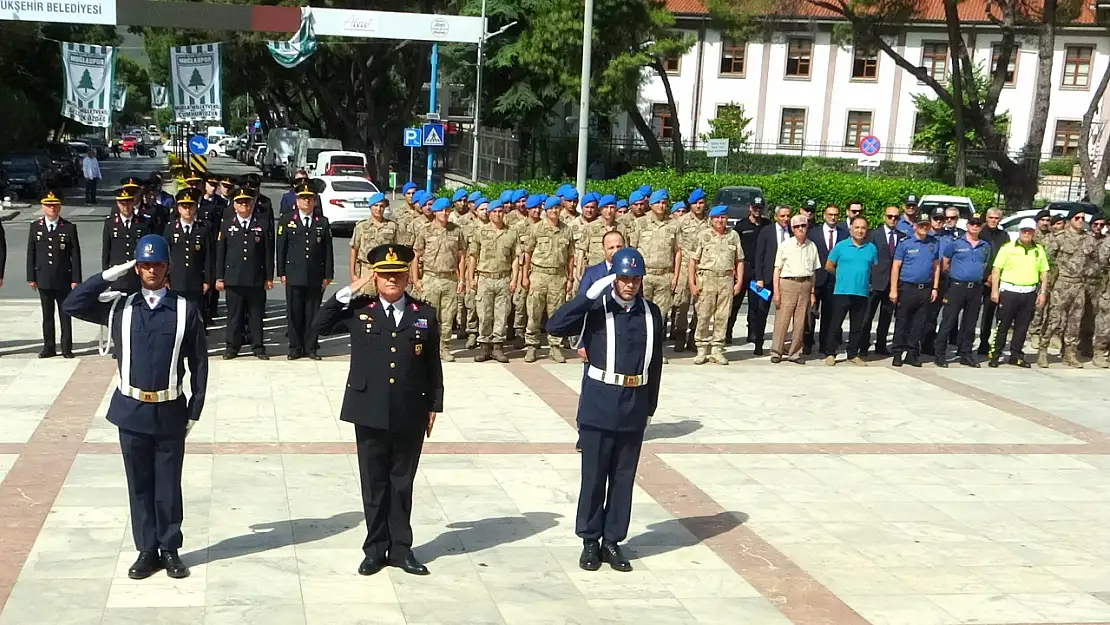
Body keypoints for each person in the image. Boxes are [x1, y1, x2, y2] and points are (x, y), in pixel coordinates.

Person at [62, 234, 207, 580]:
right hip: (131, 409)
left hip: (170, 409)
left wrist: (195, 409)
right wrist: (108, 276)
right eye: (144, 265)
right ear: (137, 269)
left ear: (167, 267)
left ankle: (170, 548)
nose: (151, 270)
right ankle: (146, 550)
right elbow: (72, 304)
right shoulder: (120, 307)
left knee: (168, 485)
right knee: (139, 484)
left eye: (157, 264)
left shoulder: (186, 308)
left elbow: (199, 363)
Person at [312, 244, 442, 577]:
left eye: (398, 274)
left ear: (406, 277)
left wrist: (434, 405)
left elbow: (432, 363)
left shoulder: (423, 314)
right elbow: (320, 325)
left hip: (409, 409)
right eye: (384, 275)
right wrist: (353, 286)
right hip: (368, 408)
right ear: (376, 277)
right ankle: (374, 550)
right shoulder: (360, 309)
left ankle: (401, 549)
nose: (392, 280)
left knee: (402, 483)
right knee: (374, 484)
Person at [546, 247, 662, 573]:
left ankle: (612, 541)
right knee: (594, 477)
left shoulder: (651, 312)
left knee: (623, 479)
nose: (630, 285)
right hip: (599, 404)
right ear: (615, 278)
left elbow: (655, 365)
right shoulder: (597, 309)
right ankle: (589, 541)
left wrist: (649, 407)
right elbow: (554, 326)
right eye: (625, 278)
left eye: (635, 279)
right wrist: (586, 297)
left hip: (634, 404)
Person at [277, 179, 334, 360]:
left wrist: (328, 275)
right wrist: (281, 273)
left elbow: (328, 251)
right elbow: (281, 248)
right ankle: (295, 347)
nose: (306, 202)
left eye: (309, 198)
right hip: (293, 274)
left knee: (313, 313)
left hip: (315, 275)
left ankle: (311, 347)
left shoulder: (322, 222)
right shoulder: (287, 220)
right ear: (297, 201)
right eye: (303, 198)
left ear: (315, 201)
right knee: (294, 313)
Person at [215, 187, 274, 360]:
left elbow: (268, 253)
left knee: (256, 315)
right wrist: (219, 277)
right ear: (234, 206)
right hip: (234, 278)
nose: (244, 205)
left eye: (247, 202)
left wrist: (269, 277)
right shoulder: (227, 224)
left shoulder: (261, 224)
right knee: (235, 316)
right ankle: (232, 347)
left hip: (256, 278)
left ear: (252, 204)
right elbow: (221, 253)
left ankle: (258, 347)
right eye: (240, 202)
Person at [1041, 206, 1101, 367]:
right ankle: (1043, 350)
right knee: (1054, 319)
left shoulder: (1089, 239)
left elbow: (1096, 260)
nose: (1081, 221)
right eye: (1077, 218)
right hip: (1061, 284)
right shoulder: (1059, 238)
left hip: (1079, 285)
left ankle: (1069, 353)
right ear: (1069, 220)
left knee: (1075, 322)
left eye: (1083, 218)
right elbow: (1048, 261)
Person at [26, 191, 81, 358]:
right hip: (44, 278)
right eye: (49, 206)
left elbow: (75, 255)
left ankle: (66, 348)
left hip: (64, 279)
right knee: (47, 316)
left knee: (65, 314)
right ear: (43, 207)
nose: (52, 208)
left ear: (60, 207)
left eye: (55, 206)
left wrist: (76, 279)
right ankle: (49, 347)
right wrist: (31, 277)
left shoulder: (69, 228)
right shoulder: (35, 227)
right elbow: (31, 253)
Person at [989, 219, 1051, 368]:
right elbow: (996, 270)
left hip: (1029, 293)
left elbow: (1044, 273)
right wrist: (994, 291)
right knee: (1002, 326)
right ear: (1019, 231)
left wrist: (1042, 293)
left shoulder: (1038, 250)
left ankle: (1016, 355)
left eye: (1029, 230)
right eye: (1024, 230)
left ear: (1034, 232)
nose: (1026, 233)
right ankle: (996, 355)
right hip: (1009, 292)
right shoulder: (1007, 248)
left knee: (1022, 328)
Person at [629, 189, 681, 363]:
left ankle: (656, 350)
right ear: (650, 204)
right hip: (644, 276)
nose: (661, 206)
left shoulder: (674, 225)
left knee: (660, 315)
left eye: (664, 203)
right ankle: (638, 349)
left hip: (665, 275)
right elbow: (632, 249)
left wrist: (675, 276)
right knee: (639, 313)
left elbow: (678, 251)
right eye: (658, 202)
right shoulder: (640, 223)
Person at [412, 197, 466, 361]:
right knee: (427, 316)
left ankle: (444, 348)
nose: (444, 213)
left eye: (447, 210)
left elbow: (461, 256)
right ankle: (426, 347)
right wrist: (416, 279)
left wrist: (462, 279)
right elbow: (415, 255)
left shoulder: (456, 231)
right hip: (430, 278)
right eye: (441, 210)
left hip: (450, 278)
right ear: (434, 212)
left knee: (448, 317)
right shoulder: (425, 230)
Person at [933, 216, 992, 367]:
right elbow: (945, 264)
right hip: (957, 287)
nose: (975, 226)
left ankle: (965, 353)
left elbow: (985, 264)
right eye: (972, 223)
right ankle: (940, 354)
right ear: (967, 225)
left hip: (976, 288)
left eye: (978, 224)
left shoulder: (985, 246)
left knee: (970, 324)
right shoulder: (956, 243)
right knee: (948, 321)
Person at [687, 204, 743, 365]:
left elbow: (739, 260)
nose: (720, 220)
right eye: (717, 217)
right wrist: (692, 283)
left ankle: (717, 349)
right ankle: (702, 349)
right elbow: (693, 260)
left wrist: (738, 282)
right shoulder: (703, 235)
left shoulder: (733, 236)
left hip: (725, 279)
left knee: (723, 316)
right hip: (707, 279)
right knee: (703, 315)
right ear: (711, 219)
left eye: (723, 217)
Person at [522, 195, 575, 363]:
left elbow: (571, 256)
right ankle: (531, 346)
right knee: (534, 313)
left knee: (556, 314)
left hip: (558, 276)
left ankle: (555, 347)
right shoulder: (536, 229)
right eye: (551, 208)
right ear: (546, 210)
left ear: (560, 209)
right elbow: (527, 254)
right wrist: (525, 276)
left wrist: (570, 278)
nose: (554, 211)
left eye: (556, 208)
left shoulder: (567, 230)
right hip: (539, 274)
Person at [467, 201, 520, 362]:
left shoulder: (511, 232)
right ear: (489, 214)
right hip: (484, 278)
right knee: (484, 314)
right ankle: (484, 346)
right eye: (494, 211)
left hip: (503, 278)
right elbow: (473, 257)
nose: (498, 214)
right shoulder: (480, 232)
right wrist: (470, 278)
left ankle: (497, 346)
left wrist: (514, 279)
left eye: (500, 211)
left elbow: (516, 258)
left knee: (501, 315)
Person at [822, 216, 878, 365]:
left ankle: (853, 354)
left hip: (861, 292)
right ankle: (830, 353)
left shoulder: (871, 248)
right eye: (857, 227)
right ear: (850, 229)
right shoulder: (841, 246)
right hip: (842, 291)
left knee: (857, 326)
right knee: (835, 324)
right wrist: (841, 275)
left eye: (863, 228)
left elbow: (872, 267)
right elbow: (829, 265)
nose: (860, 231)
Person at [889, 213, 940, 367]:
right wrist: (893, 289)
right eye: (921, 225)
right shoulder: (905, 243)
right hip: (907, 287)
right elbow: (896, 267)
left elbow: (936, 266)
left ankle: (912, 353)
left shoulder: (934, 243)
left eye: (927, 225)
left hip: (924, 288)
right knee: (902, 321)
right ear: (915, 226)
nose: (924, 228)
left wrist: (935, 287)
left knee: (919, 323)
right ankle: (897, 353)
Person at [770, 214, 819, 364]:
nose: (800, 229)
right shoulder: (785, 245)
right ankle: (776, 352)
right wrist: (776, 293)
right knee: (782, 320)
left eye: (803, 226)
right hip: (788, 284)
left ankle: (795, 353)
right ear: (792, 228)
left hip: (805, 284)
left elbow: (813, 272)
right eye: (796, 226)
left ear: (807, 227)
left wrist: (812, 292)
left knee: (800, 322)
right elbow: (777, 270)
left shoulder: (812, 246)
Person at [163, 188, 213, 322]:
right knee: (176, 316)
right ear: (178, 208)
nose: (187, 210)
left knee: (196, 316)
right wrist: (165, 278)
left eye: (190, 206)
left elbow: (208, 255)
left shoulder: (203, 228)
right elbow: (165, 254)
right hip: (176, 280)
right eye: (184, 206)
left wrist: (207, 279)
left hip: (196, 280)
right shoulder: (170, 228)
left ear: (196, 207)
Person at [861, 206, 905, 357]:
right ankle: (863, 346)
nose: (893, 219)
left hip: (892, 284)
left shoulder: (902, 236)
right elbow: (866, 259)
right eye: (890, 216)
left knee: (886, 317)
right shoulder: (873, 234)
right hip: (875, 282)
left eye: (896, 217)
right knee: (867, 317)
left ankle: (881, 346)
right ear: (884, 217)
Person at [807, 204, 848, 356]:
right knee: (809, 314)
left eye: (836, 215)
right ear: (824, 215)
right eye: (830, 214)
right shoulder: (813, 233)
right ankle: (807, 342)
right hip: (816, 278)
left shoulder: (844, 235)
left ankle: (825, 344)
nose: (833, 217)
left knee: (829, 314)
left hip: (834, 280)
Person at [752, 205, 792, 355]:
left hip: (785, 278)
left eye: (788, 216)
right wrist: (759, 278)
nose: (785, 219)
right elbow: (759, 255)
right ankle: (758, 343)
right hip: (767, 279)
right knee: (762, 312)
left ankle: (780, 344)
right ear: (776, 217)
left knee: (783, 314)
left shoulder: (792, 232)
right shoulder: (766, 231)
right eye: (782, 216)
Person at [729, 196, 769, 345]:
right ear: (750, 208)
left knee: (755, 305)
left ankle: (752, 333)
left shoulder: (767, 225)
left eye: (760, 208)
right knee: (734, 303)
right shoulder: (741, 225)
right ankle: (728, 332)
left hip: (758, 270)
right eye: (755, 207)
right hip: (742, 267)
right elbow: (733, 248)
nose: (757, 210)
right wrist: (733, 268)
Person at [674, 188, 710, 352]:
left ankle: (694, 336)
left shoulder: (710, 222)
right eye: (695, 203)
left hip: (702, 269)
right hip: (683, 267)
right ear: (690, 204)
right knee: (682, 303)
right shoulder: (681, 222)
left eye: (701, 203)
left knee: (700, 305)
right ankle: (680, 335)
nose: (698, 206)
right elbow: (677, 248)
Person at [101, 187, 153, 295]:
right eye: (123, 203)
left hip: (137, 274)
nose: (126, 207)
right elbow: (106, 251)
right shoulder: (110, 224)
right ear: (118, 204)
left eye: (129, 203)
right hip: (118, 274)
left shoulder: (143, 223)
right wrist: (106, 275)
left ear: (133, 202)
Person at [978, 208, 1010, 355]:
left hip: (996, 281)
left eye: (996, 218)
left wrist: (994, 278)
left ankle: (987, 344)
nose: (993, 220)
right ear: (986, 218)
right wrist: (985, 276)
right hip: (979, 280)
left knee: (991, 314)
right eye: (990, 217)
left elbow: (1006, 258)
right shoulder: (979, 232)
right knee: (973, 314)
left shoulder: (1004, 236)